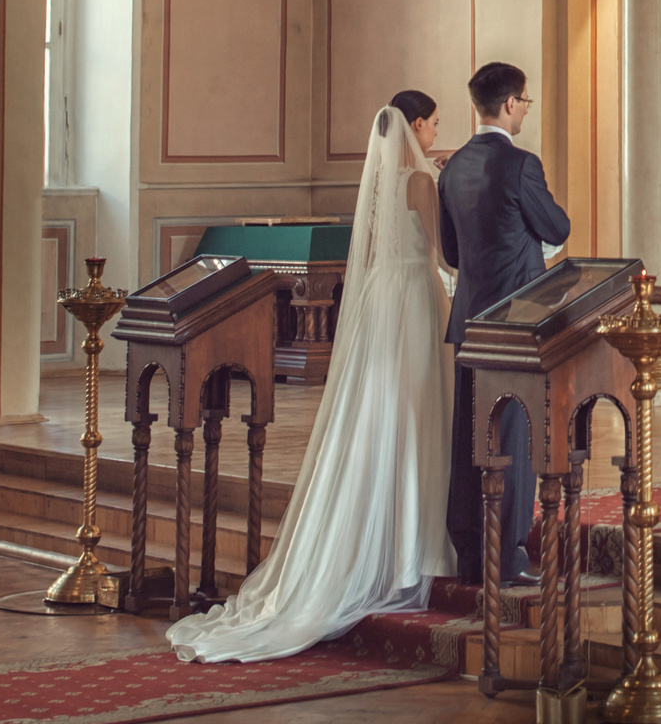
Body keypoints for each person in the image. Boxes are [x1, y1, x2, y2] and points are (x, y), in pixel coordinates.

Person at [165, 91, 454, 661]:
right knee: (416, 410)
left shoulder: (374, 185)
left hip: (379, 302)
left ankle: (378, 539)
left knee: (378, 411)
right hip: (415, 299)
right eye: (433, 127)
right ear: (415, 126)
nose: (434, 138)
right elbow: (445, 258)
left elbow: (369, 253)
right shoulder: (421, 185)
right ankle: (410, 549)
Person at [439, 62, 574, 586]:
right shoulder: (521, 165)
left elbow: (451, 252)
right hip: (517, 323)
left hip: (470, 322)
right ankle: (510, 556)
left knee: (470, 436)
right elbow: (557, 226)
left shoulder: (452, 168)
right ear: (512, 103)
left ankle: (470, 554)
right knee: (511, 441)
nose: (525, 110)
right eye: (526, 102)